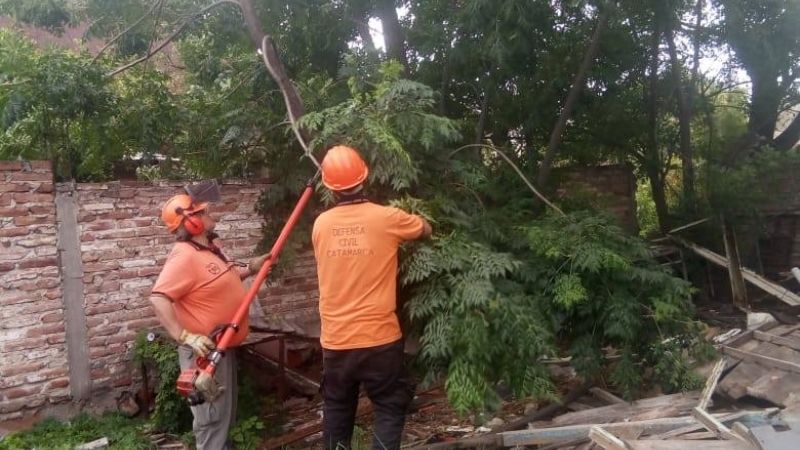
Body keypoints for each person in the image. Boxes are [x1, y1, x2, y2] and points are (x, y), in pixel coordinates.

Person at [312, 145, 433, 450]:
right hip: (379, 338)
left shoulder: (320, 225)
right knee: (390, 407)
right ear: (364, 177)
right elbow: (425, 229)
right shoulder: (387, 217)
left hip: (336, 341)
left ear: (329, 187)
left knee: (337, 410)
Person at [148, 191, 268, 450]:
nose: (209, 212)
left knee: (223, 418)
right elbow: (159, 298)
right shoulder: (185, 256)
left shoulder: (209, 249)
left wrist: (251, 268)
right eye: (203, 211)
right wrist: (185, 336)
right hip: (203, 355)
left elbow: (223, 278)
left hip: (222, 347)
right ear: (192, 222)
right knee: (211, 421)